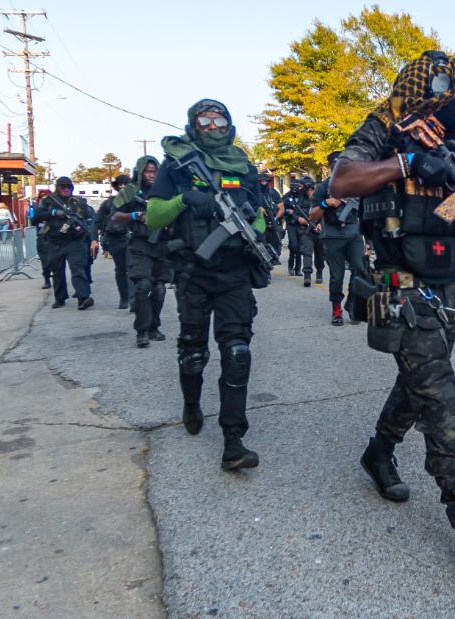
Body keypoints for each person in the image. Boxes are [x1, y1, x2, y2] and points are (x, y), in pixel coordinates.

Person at [329, 50, 455, 575]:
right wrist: (408, 163)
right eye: (445, 91)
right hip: (400, 288)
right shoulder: (383, 128)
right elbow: (341, 181)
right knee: (443, 401)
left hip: (449, 286)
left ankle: (379, 451)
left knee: (416, 388)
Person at [145, 98, 266, 471]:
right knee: (194, 353)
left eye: (220, 120)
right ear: (193, 125)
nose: (213, 127)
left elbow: (260, 216)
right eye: (205, 120)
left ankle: (233, 441)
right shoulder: (177, 164)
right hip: (193, 272)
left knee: (237, 353)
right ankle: (191, 404)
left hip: (234, 272)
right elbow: (153, 216)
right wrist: (184, 199)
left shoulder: (242, 163)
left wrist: (251, 227)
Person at [111, 156, 170, 348]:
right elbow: (116, 216)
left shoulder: (164, 190)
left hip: (162, 244)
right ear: (140, 172)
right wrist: (135, 215)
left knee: (160, 289)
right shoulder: (130, 191)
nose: (152, 175)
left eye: (154, 171)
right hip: (140, 244)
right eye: (148, 171)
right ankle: (142, 331)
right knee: (143, 286)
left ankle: (154, 327)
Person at [310, 150, 366, 325]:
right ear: (330, 167)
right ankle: (336, 308)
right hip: (332, 236)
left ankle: (351, 303)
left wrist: (369, 240)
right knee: (336, 276)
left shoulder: (356, 186)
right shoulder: (322, 187)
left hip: (354, 234)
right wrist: (325, 203)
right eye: (335, 165)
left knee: (360, 270)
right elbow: (312, 215)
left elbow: (366, 213)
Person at [32, 177, 97, 310]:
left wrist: (86, 231)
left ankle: (83, 298)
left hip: (75, 241)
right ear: (57, 187)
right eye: (63, 186)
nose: (66, 189)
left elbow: (90, 218)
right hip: (55, 241)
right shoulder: (48, 201)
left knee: (78, 269)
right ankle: (60, 298)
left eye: (69, 186)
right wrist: (53, 213)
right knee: (57, 271)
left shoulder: (78, 201)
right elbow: (35, 218)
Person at [96, 175, 133, 308]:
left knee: (132, 268)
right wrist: (94, 239)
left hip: (132, 239)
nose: (123, 186)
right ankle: (124, 298)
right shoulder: (109, 203)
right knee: (120, 270)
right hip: (114, 240)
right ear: (117, 186)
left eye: (126, 184)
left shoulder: (136, 200)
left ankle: (133, 299)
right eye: (120, 184)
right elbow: (97, 221)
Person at [279, 180, 305, 277]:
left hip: (301, 224)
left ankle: (298, 269)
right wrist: (287, 211)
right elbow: (281, 208)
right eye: (293, 186)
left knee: (299, 248)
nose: (295, 188)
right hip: (291, 224)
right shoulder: (286, 197)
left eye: (297, 186)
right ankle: (291, 266)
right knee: (293, 246)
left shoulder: (303, 196)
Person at [257, 172, 284, 259]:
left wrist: (275, 218)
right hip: (260, 223)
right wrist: (258, 209)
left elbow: (281, 208)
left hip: (272, 222)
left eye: (266, 181)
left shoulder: (273, 192)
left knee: (275, 243)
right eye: (262, 181)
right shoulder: (254, 193)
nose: (264, 183)